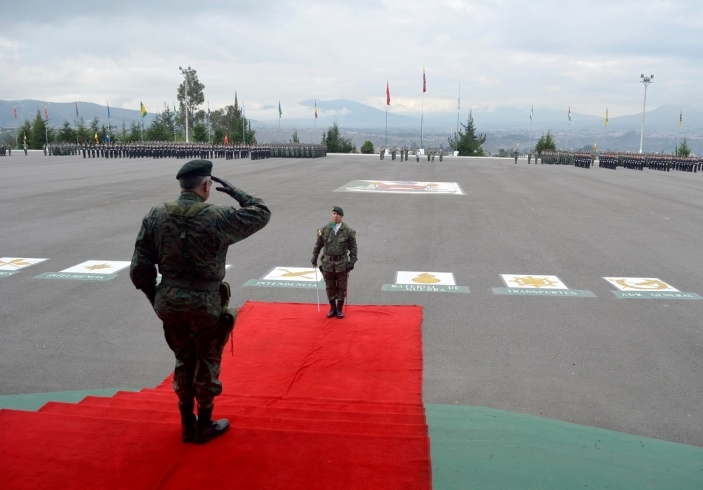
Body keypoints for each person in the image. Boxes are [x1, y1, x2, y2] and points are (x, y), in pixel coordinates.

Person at [130, 159, 271, 444]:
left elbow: (140, 268)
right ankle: (204, 423)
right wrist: (236, 192)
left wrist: (156, 297)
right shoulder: (217, 216)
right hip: (204, 302)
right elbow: (261, 213)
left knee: (183, 358)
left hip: (168, 300)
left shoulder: (156, 215)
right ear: (207, 186)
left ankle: (186, 423)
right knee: (207, 361)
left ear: (182, 185)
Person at [311, 206, 358, 319]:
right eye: (333, 213)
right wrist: (314, 257)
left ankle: (339, 309)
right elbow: (318, 245)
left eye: (337, 214)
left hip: (341, 263)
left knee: (341, 287)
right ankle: (332, 308)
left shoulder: (348, 231)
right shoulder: (324, 229)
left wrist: (352, 261)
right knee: (330, 286)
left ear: (341, 216)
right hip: (327, 263)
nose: (335, 216)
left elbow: (353, 248)